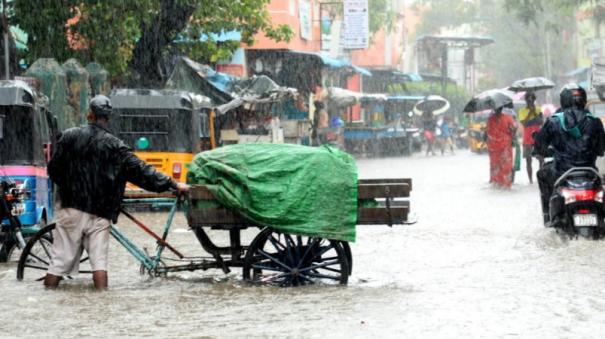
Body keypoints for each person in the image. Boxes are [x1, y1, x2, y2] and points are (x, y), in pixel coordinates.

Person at [44, 95, 189, 290]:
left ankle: (49, 296)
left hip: (71, 208)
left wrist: (71, 188)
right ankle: (102, 302)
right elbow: (142, 171)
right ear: (108, 118)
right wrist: (172, 183)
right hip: (101, 212)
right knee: (99, 263)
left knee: (58, 263)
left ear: (89, 115)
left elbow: (54, 170)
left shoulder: (69, 137)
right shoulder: (115, 146)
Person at [534, 83, 605, 224]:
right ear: (583, 99)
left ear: (563, 100)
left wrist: (545, 151)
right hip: (590, 174)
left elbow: (539, 148)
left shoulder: (553, 121)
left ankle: (548, 217)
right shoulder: (595, 122)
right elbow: (601, 150)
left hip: (561, 172)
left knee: (542, 174)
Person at [486, 105, 517, 188]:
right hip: (496, 147)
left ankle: (503, 185)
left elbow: (514, 130)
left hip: (502, 147)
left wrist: (512, 131)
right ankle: (501, 185)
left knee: (503, 167)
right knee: (497, 167)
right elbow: (488, 133)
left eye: (499, 108)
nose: (498, 109)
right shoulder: (492, 119)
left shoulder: (506, 118)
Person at [518, 91, 544, 183]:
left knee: (541, 159)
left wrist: (535, 112)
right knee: (528, 161)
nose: (530, 102)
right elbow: (524, 124)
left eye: (532, 100)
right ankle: (531, 181)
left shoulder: (538, 109)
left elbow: (541, 122)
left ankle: (541, 178)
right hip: (527, 138)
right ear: (526, 101)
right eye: (528, 100)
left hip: (538, 137)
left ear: (534, 100)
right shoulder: (522, 111)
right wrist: (530, 113)